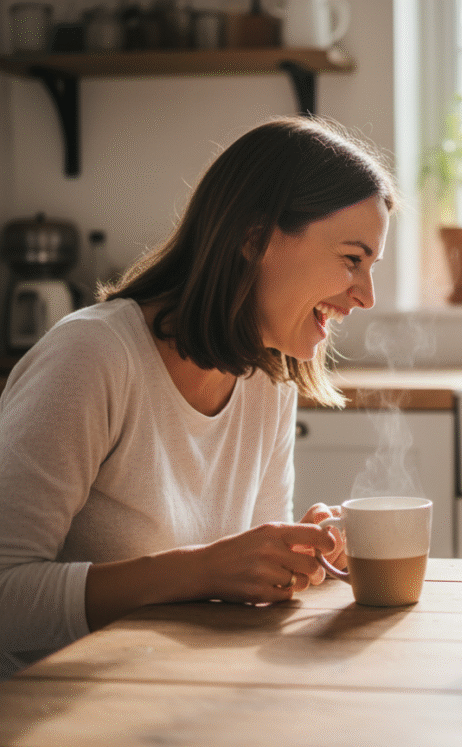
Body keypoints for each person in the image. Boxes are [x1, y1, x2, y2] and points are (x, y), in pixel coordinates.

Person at [0, 115, 399, 680]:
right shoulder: (92, 357)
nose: (366, 295)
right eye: (352, 259)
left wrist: (291, 556)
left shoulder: (270, 375)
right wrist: (201, 570)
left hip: (173, 695)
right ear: (255, 238)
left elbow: (241, 587)